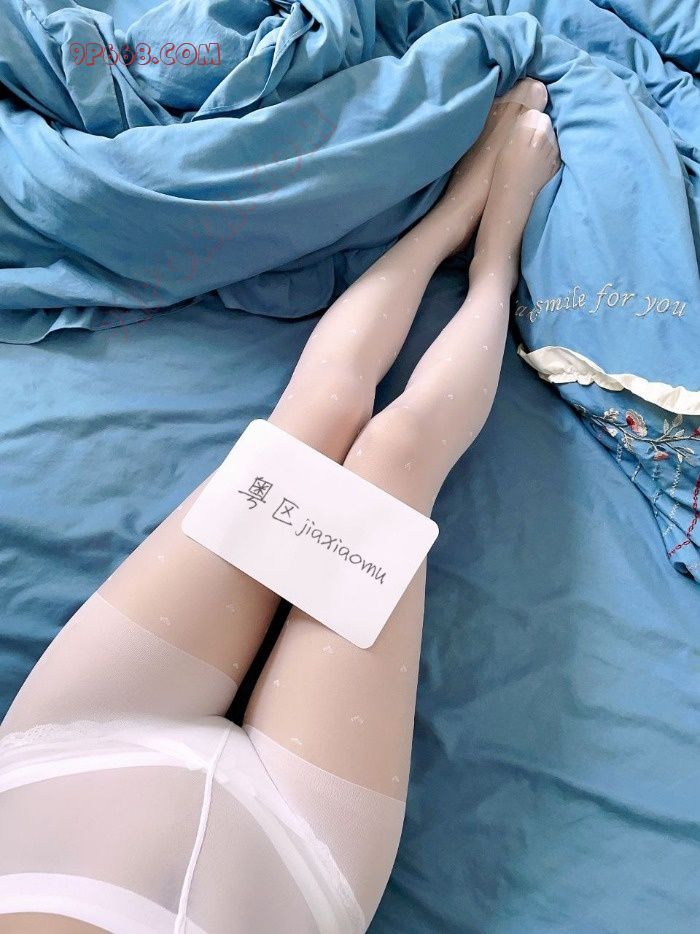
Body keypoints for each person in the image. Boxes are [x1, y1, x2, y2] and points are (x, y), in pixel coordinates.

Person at [0, 79, 560, 933]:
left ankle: (451, 218)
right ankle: (496, 263)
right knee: (396, 454)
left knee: (317, 417)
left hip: (70, 763)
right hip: (293, 856)